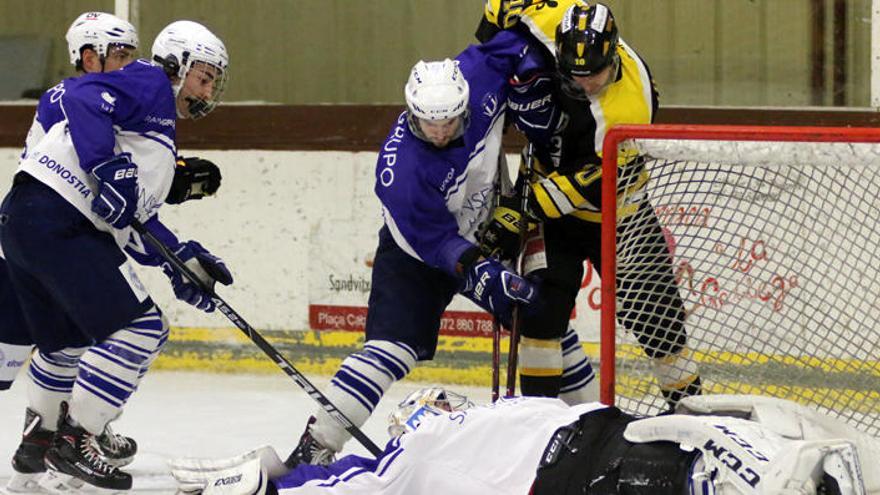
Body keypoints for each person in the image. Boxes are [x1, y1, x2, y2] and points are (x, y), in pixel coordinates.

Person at [283, 29, 610, 469]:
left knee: (544, 318)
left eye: (449, 122)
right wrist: (483, 272)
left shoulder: (477, 75)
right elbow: (435, 241)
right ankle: (317, 444)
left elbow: (518, 42)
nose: (438, 133)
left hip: (486, 226)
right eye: (428, 124)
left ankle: (596, 428)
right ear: (411, 113)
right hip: (417, 255)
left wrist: (532, 87)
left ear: (464, 105)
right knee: (391, 349)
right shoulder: (401, 171)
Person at [0, 19, 231, 492]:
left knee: (66, 344)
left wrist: (181, 261)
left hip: (27, 220)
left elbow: (132, 219)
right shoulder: (151, 81)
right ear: (177, 64)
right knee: (143, 329)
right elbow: (82, 96)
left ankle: (39, 443)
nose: (208, 91)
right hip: (58, 221)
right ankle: (77, 441)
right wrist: (107, 165)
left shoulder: (152, 127)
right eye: (204, 77)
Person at [475, 1, 703, 407]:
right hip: (553, 215)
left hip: (619, 218)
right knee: (540, 314)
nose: (583, 84)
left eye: (593, 74)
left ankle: (691, 412)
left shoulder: (628, 110)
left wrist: (517, 210)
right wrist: (490, 62)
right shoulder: (555, 20)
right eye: (573, 74)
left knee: (660, 323)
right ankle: (537, 419)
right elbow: (503, 6)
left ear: (612, 56)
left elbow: (591, 185)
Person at [168, 391, 880, 494]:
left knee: (688, 464)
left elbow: (352, 480)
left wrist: (274, 481)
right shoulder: (428, 447)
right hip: (601, 442)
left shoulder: (428, 447)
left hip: (586, 459)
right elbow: (360, 478)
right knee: (699, 453)